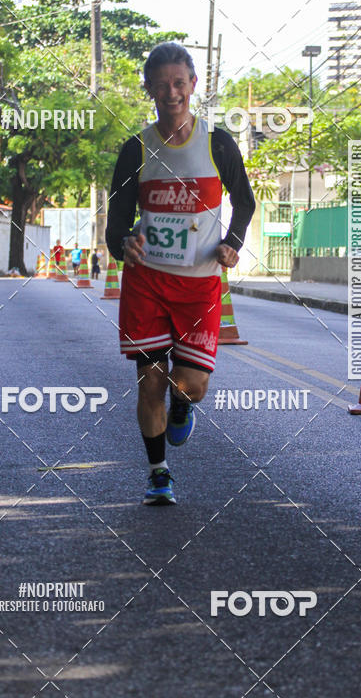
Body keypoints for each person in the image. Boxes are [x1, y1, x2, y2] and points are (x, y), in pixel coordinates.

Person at [106, 42, 255, 506]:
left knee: (191, 383)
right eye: (162, 84)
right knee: (150, 377)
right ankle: (157, 473)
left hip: (199, 285)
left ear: (193, 86)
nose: (171, 93)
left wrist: (232, 244)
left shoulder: (217, 143)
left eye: (179, 83)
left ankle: (182, 404)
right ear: (148, 88)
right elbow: (116, 221)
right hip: (148, 282)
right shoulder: (136, 150)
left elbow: (244, 201)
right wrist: (123, 243)